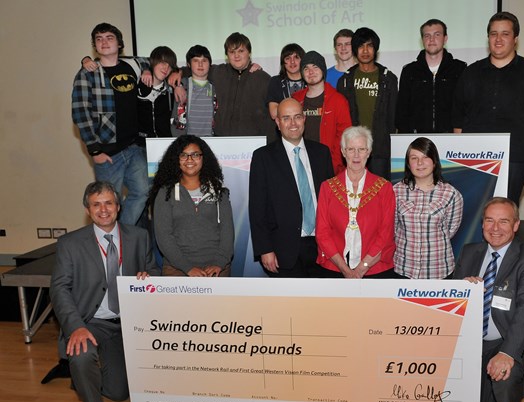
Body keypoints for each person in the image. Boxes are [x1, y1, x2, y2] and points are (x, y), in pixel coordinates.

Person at [50, 181, 158, 402]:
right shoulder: (70, 243)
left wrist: (148, 276)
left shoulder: (139, 236)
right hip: (91, 322)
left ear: (118, 207)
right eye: (96, 204)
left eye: (109, 202)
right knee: (81, 353)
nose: (103, 209)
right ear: (88, 210)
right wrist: (75, 327)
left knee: (120, 393)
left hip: (129, 323)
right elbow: (59, 289)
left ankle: (82, 379)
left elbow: (153, 269)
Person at [453, 197, 524, 402]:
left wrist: (507, 354)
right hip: (472, 340)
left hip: (504, 339)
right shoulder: (469, 251)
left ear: (516, 225)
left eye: (504, 221)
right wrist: (461, 289)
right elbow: (451, 298)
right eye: (489, 221)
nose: (495, 228)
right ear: (482, 224)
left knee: (506, 377)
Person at [452, 12, 524, 205]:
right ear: (488, 38)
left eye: (505, 34)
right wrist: (459, 155)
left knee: (506, 208)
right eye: (493, 34)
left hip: (516, 157)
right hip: (475, 157)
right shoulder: (470, 73)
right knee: (474, 208)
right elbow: (458, 117)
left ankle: (507, 237)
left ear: (515, 39)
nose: (498, 39)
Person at [72, 23, 151, 225]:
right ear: (94, 45)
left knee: (143, 192)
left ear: (119, 43)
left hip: (134, 148)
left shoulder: (134, 64)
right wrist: (95, 151)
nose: (104, 42)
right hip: (108, 154)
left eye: (109, 38)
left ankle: (122, 235)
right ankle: (113, 241)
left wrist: (149, 69)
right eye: (99, 39)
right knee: (107, 204)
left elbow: (158, 62)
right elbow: (81, 113)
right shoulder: (87, 74)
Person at [249, 98, 334, 277]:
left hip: (323, 249)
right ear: (278, 123)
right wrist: (265, 249)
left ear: (304, 119)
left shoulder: (322, 153)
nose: (293, 123)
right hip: (283, 252)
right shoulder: (263, 157)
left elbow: (331, 202)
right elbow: (257, 208)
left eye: (297, 117)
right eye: (286, 118)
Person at [316, 126, 395, 278]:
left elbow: (385, 234)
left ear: (369, 152)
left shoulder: (384, 188)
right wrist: (344, 269)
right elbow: (322, 233)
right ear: (343, 152)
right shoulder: (327, 187)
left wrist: (362, 267)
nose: (356, 155)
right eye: (351, 149)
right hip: (335, 268)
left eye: (362, 149)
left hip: (375, 269)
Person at [150, 135, 234, 277]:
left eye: (195, 155)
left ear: (203, 158)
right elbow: (163, 236)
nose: (190, 160)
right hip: (177, 268)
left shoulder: (219, 191)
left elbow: (227, 232)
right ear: (176, 160)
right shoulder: (166, 193)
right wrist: (187, 268)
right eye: (184, 155)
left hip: (215, 269)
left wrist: (219, 263)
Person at [394, 137, 463, 279]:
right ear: (408, 163)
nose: (420, 163)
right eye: (414, 158)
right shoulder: (395, 191)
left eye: (425, 157)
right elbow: (393, 229)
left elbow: (450, 230)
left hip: (439, 271)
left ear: (434, 161)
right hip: (404, 269)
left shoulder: (451, 194)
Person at [337, 27, 398, 180]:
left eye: (369, 45)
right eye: (361, 46)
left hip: (380, 148)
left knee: (379, 191)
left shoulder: (388, 78)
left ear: (375, 49)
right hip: (354, 149)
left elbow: (393, 116)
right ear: (355, 50)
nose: (365, 50)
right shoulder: (345, 80)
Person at [396, 19, 466, 133]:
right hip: (417, 141)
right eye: (427, 36)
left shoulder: (459, 69)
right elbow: (402, 112)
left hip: (451, 139)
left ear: (445, 38)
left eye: (437, 35)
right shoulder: (409, 71)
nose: (431, 40)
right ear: (422, 40)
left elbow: (464, 108)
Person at [293, 50, 352, 174]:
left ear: (323, 70)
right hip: (300, 164)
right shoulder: (295, 99)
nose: (311, 72)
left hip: (329, 165)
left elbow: (344, 135)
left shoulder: (338, 100)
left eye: (315, 67)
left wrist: (333, 164)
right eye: (306, 68)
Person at [171, 45, 218, 137]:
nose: (200, 65)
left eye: (204, 61)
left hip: (211, 141)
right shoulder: (181, 85)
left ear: (210, 64)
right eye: (196, 61)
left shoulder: (215, 87)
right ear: (188, 64)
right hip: (186, 141)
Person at [136, 46, 177, 144]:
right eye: (162, 62)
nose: (166, 68)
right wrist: (145, 69)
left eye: (169, 65)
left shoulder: (171, 91)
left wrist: (178, 85)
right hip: (139, 146)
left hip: (164, 144)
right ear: (153, 62)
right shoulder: (136, 85)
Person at [266, 44, 306, 123]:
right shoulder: (275, 81)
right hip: (282, 132)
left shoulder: (310, 81)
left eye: (296, 57)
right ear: (283, 63)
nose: (292, 61)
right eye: (287, 58)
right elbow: (274, 113)